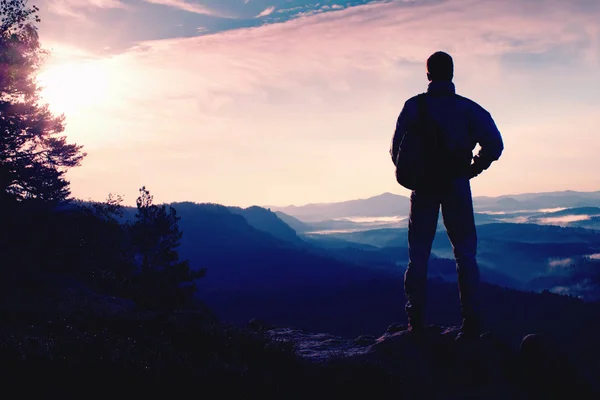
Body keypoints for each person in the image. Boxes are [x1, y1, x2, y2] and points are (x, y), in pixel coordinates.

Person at [389, 51, 504, 338]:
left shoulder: (413, 107)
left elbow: (396, 152)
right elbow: (494, 144)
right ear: (452, 73)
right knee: (465, 255)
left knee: (418, 256)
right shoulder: (467, 109)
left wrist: (418, 172)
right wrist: (473, 169)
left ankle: (415, 322)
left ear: (428, 74)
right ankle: (471, 322)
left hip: (423, 188)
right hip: (456, 184)